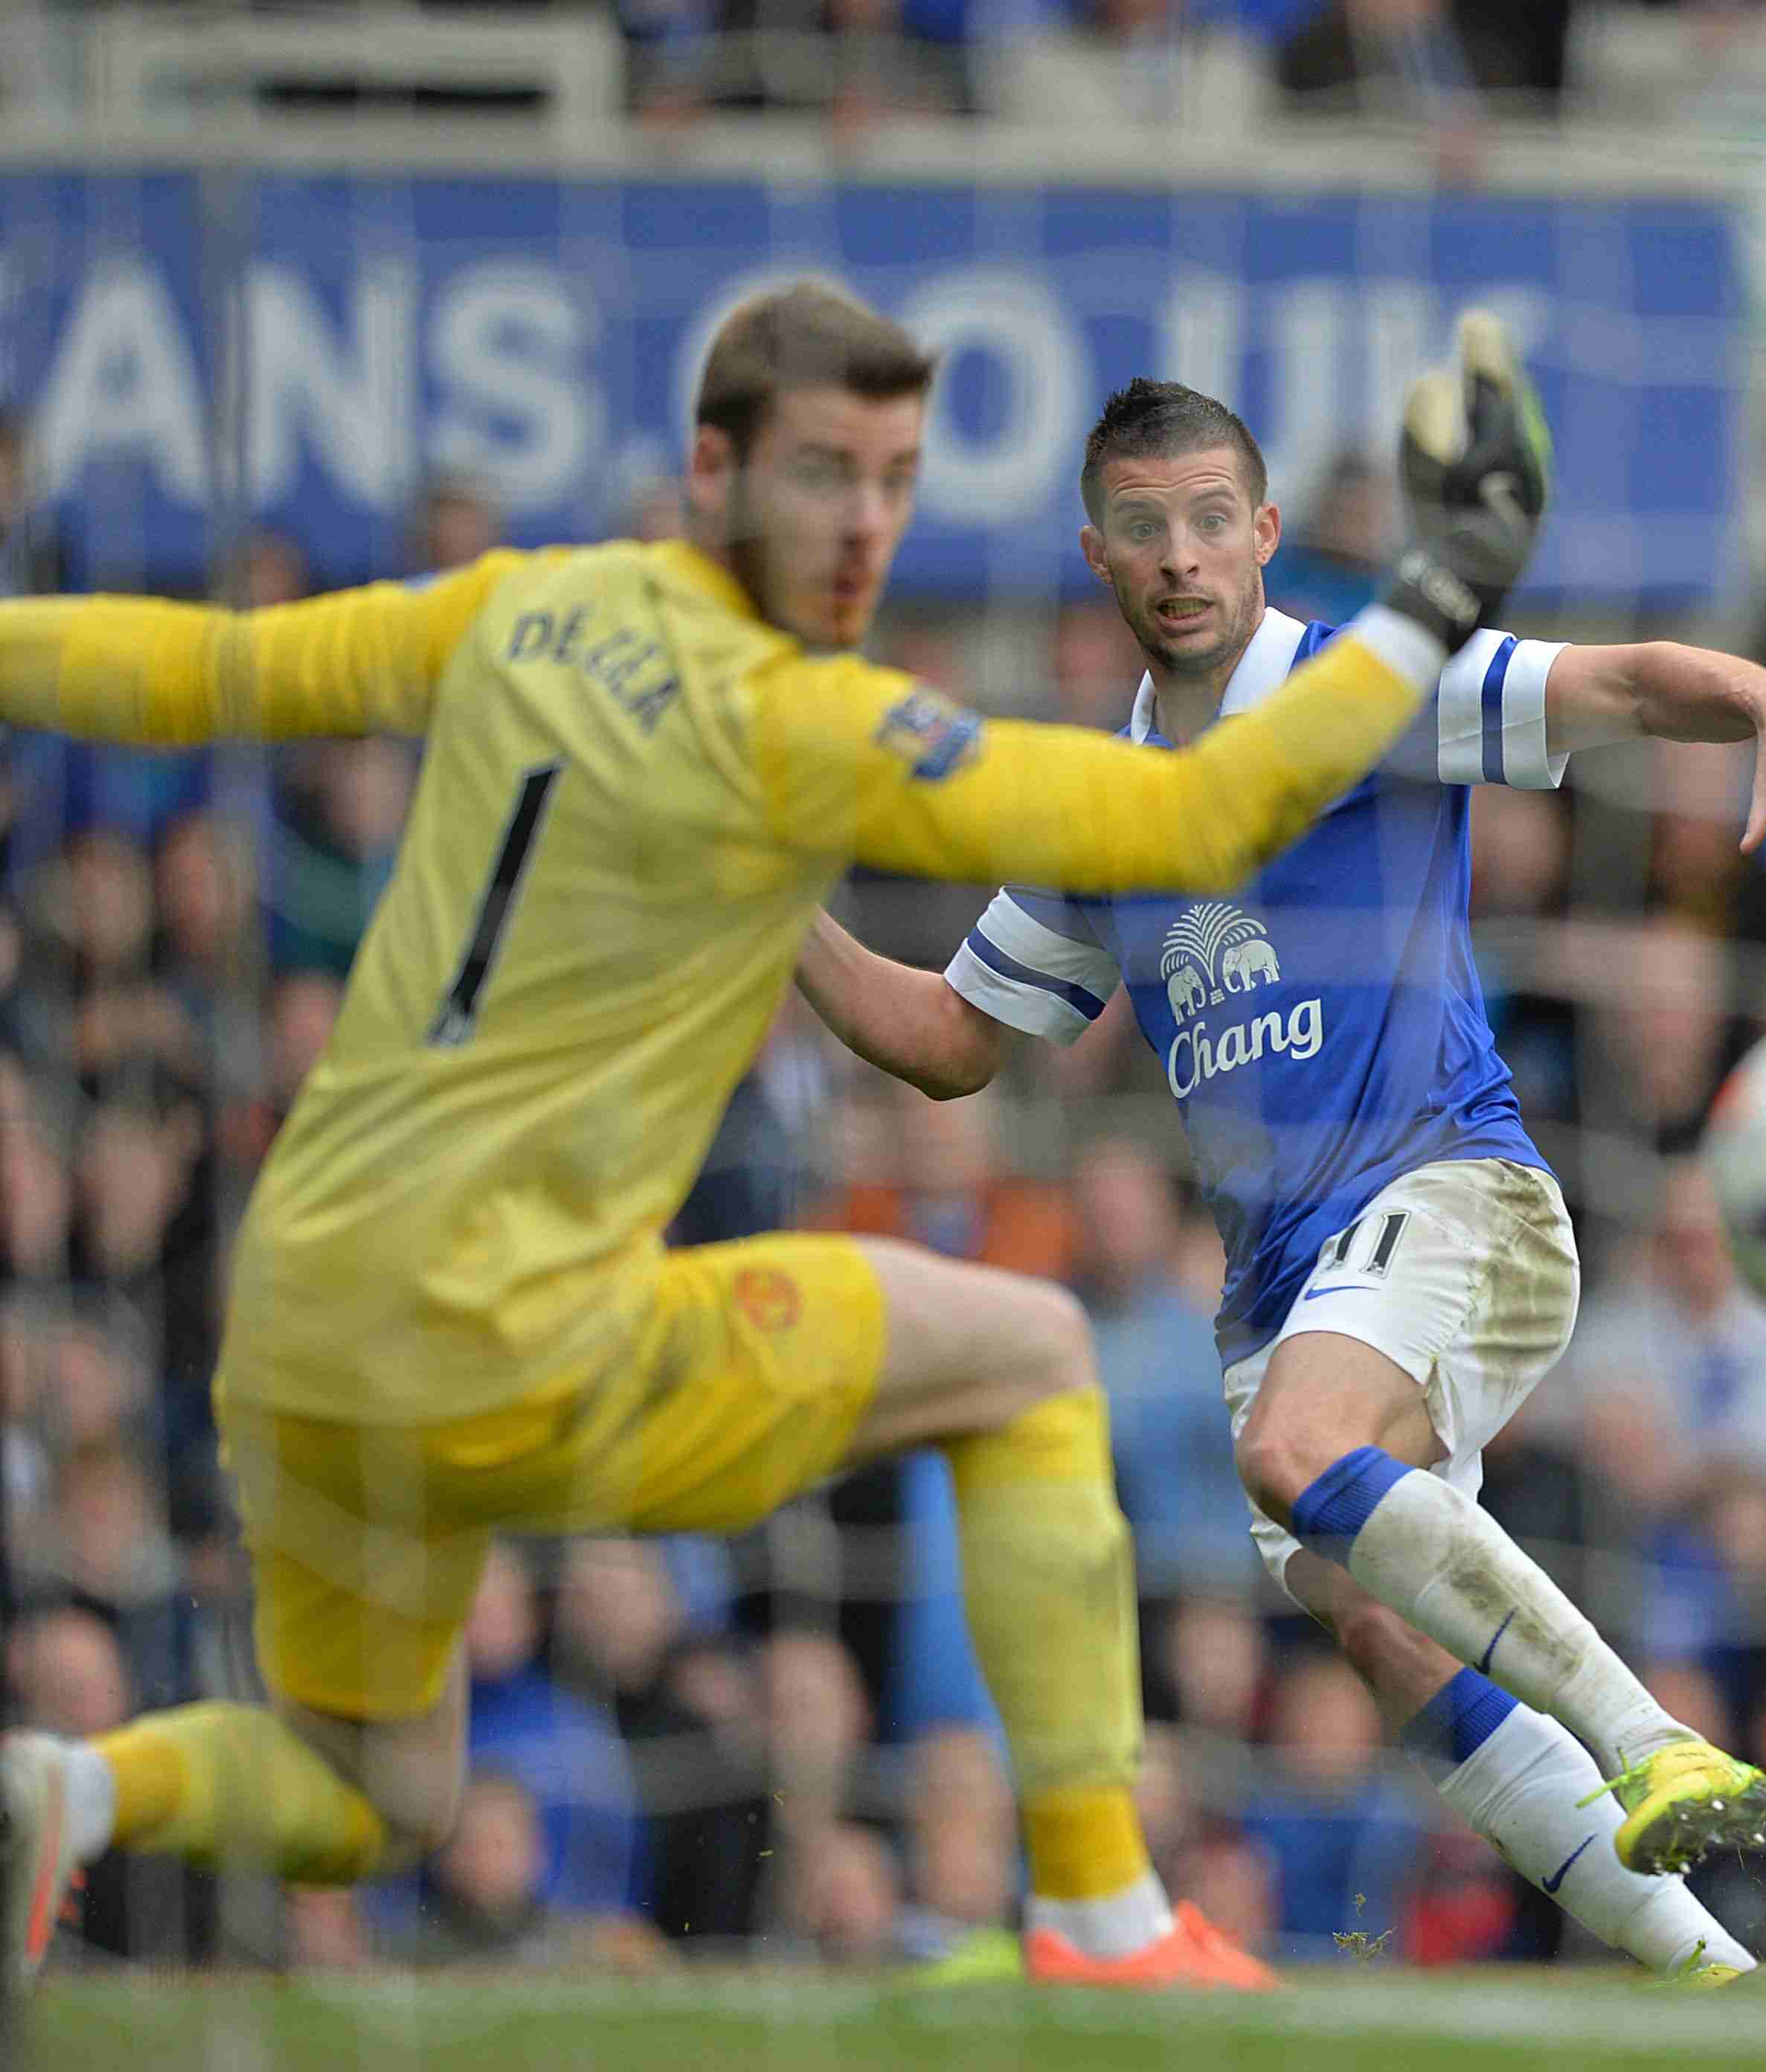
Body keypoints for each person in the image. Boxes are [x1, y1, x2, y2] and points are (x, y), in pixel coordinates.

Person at [0, 283, 1558, 1992]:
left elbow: (203, 666)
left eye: (892, 479)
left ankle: (77, 1785)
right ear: (714, 470)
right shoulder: (804, 723)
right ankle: (1109, 1924)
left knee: (373, 1796)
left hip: (302, 1316)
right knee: (1031, 1354)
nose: (865, 523)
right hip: (507, 1329)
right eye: (825, 474)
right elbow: (1203, 811)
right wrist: (1439, 591)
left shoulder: (520, 605)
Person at [794, 373, 1766, 1977]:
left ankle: (1652, 1738)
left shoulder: (1365, 688)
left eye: (1209, 520)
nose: (1180, 556)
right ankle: (1728, 1984)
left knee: (1300, 1454)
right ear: (1098, 555)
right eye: (1144, 527)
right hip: (1278, 1294)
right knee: (1380, 1625)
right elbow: (950, 1040)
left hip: (1456, 1198)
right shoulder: (1096, 811)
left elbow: (1629, 682)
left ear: (1265, 533)